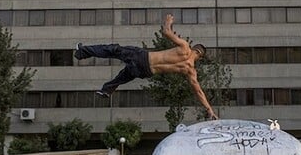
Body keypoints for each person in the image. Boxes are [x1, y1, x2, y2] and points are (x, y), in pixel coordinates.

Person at [74, 14, 219, 120]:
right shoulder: (190, 71)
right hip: (145, 71)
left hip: (142, 58)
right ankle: (106, 90)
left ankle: (82, 52)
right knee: (124, 76)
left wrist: (168, 22)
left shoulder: (185, 47)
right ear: (200, 56)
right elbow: (199, 92)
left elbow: (166, 32)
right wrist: (210, 110)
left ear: (196, 50)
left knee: (113, 49)